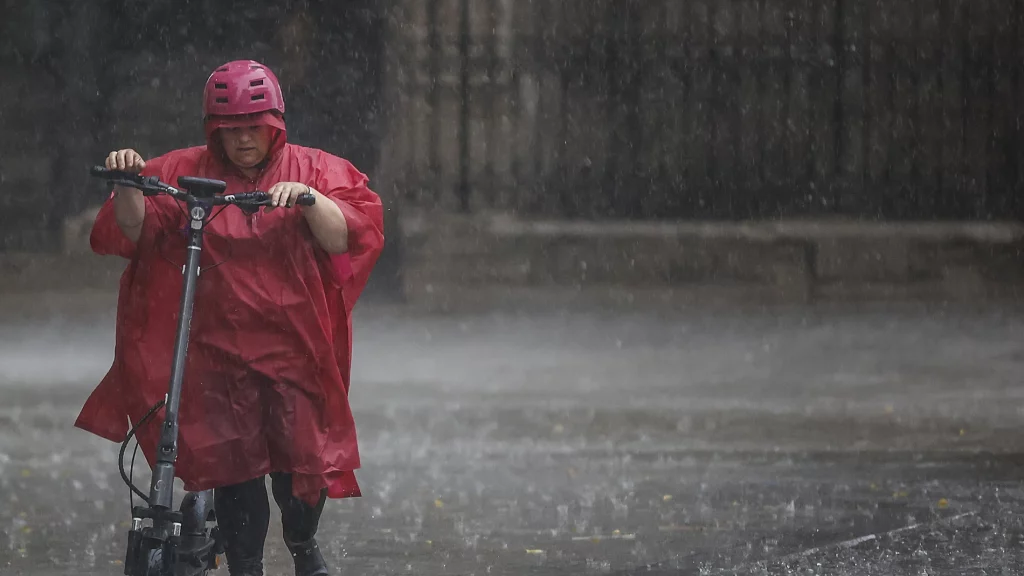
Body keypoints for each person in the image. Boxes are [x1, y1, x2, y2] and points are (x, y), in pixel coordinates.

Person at [74, 60, 385, 576]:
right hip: (218, 352)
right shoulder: (184, 170)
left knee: (298, 471)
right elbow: (135, 231)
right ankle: (246, 566)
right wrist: (129, 183)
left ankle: (304, 548)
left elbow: (346, 235)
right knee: (238, 471)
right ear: (213, 131)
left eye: (254, 129)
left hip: (295, 351)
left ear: (276, 124)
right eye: (231, 130)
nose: (243, 141)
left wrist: (310, 201)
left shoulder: (317, 170)